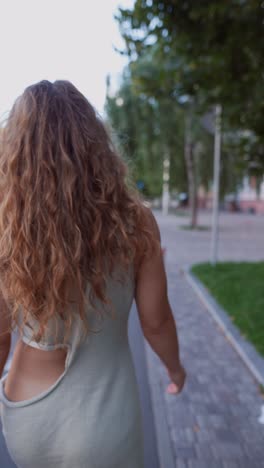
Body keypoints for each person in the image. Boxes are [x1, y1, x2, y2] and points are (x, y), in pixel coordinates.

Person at [0, 80, 186, 468]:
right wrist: (175, 368)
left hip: (25, 415)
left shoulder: (8, 228)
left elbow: (1, 338)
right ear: (94, 144)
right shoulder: (135, 223)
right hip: (102, 421)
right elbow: (156, 321)